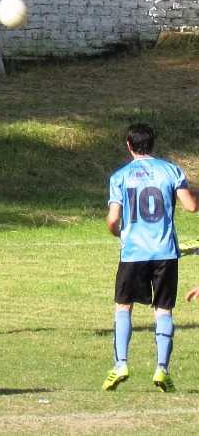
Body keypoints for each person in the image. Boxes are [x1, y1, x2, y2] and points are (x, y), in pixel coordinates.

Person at [102, 123, 197, 392]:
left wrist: (118, 233)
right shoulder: (171, 170)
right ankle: (162, 369)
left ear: (128, 145)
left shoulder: (120, 176)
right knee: (163, 309)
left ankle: (121, 364)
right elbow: (191, 206)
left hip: (133, 252)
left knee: (123, 306)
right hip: (165, 252)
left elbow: (112, 220)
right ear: (153, 144)